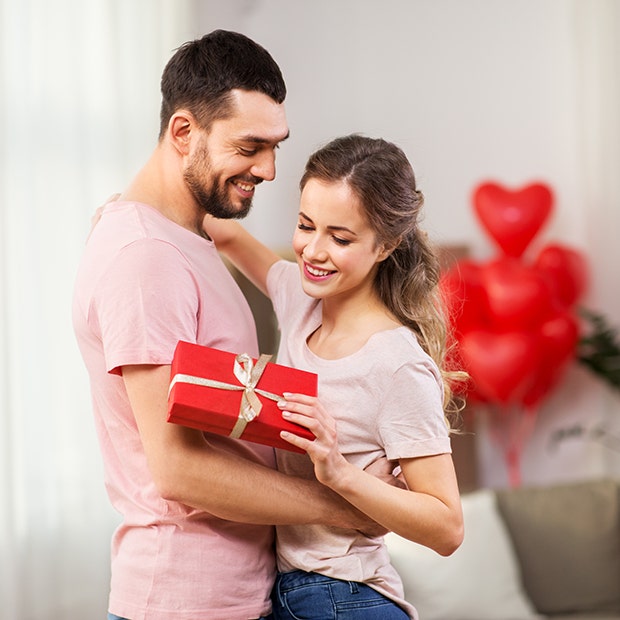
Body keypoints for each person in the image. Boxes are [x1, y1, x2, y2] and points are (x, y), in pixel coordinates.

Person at [72, 31, 385, 620]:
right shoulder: (145, 256)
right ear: (184, 132)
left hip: (237, 594)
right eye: (250, 147)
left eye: (275, 146)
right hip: (183, 600)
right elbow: (178, 467)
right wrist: (345, 505)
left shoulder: (184, 236)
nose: (268, 170)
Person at [205, 134, 466, 620]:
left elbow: (447, 527)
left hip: (346, 596)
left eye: (340, 238)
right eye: (306, 225)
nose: (313, 251)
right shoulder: (302, 300)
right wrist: (133, 214)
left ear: (386, 245)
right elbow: (228, 234)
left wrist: (341, 473)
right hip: (293, 592)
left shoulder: (396, 365)